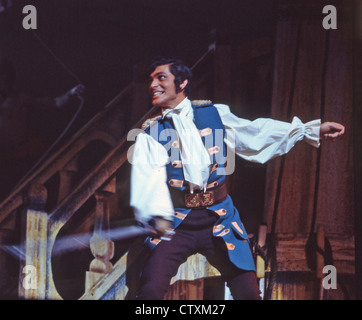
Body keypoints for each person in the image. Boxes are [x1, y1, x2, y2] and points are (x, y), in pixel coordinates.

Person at [129, 58, 345, 300]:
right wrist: (154, 215)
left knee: (249, 294)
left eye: (161, 78)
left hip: (220, 217)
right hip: (177, 224)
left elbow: (255, 133)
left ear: (182, 83)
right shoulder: (150, 134)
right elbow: (148, 180)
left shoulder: (214, 114)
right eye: (151, 80)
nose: (153, 85)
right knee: (149, 294)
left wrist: (310, 130)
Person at [0, 57, 85, 201]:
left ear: (4, 77)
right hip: (6, 158)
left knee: (29, 195)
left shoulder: (19, 99)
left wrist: (71, 93)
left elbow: (53, 103)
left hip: (24, 156)